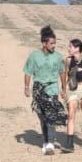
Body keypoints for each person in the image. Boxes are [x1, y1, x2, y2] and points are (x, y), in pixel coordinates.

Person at [23, 25, 68, 154]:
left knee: (51, 116)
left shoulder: (58, 57)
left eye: (55, 43)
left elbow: (62, 73)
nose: (54, 46)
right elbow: (27, 72)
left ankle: (51, 144)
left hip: (52, 89)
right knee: (42, 117)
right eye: (52, 43)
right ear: (44, 43)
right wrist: (26, 87)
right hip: (38, 90)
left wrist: (64, 88)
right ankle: (46, 140)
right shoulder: (34, 56)